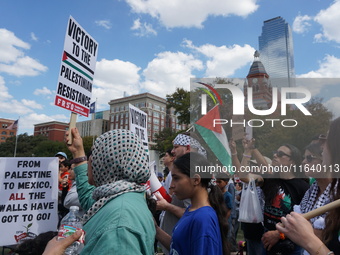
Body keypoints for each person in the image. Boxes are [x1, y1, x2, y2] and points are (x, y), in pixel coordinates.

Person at [66, 128, 155, 254]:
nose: (90, 160)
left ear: (107, 162)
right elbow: (90, 201)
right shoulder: (125, 196)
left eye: (94, 154)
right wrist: (78, 153)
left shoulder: (118, 227)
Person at [239, 139, 309, 254]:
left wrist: (280, 234)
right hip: (266, 238)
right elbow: (243, 176)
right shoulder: (270, 180)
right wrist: (248, 151)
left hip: (290, 243)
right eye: (275, 152)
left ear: (292, 161)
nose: (275, 155)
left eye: (281, 154)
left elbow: (304, 220)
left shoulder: (303, 187)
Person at [155, 152, 229, 255]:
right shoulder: (192, 210)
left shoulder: (203, 219)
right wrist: (156, 230)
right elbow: (178, 247)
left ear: (196, 180)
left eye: (176, 178)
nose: (171, 185)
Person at [156, 132, 206, 254]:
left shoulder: (191, 176)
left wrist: (166, 206)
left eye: (176, 147)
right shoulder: (182, 171)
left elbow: (193, 214)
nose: (172, 151)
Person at [294, 142, 332, 249]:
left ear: (326, 160)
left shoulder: (337, 193)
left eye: (309, 158)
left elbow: (319, 235)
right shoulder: (312, 189)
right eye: (304, 158)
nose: (303, 162)